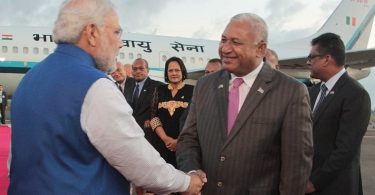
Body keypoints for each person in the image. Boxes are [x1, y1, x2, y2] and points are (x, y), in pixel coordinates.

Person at [8, 0, 204, 194]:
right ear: (92, 33)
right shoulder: (95, 86)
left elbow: (13, 163)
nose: (120, 44)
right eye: (116, 32)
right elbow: (142, 166)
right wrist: (186, 183)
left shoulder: (29, 80)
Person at [176, 13, 313, 194]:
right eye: (223, 40)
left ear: (261, 49)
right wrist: (192, 170)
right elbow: (188, 139)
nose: (225, 48)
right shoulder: (205, 85)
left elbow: (296, 166)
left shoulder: (291, 92)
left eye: (235, 42)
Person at [305, 33, 371, 195]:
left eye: (312, 57)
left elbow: (346, 149)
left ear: (326, 59)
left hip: (335, 186)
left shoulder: (355, 94)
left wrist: (315, 181)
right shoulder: (314, 92)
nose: (308, 62)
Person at [150, 57, 194, 168]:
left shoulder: (193, 90)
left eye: (177, 70)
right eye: (170, 70)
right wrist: (166, 139)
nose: (174, 73)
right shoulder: (159, 90)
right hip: (161, 145)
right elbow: (154, 117)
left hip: (185, 146)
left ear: (182, 71)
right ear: (166, 73)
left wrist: (178, 141)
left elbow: (195, 120)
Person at [130, 58, 163, 195]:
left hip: (150, 136)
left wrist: (152, 119)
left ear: (148, 70)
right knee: (136, 173)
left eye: (141, 68)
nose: (138, 71)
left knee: (150, 172)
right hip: (132, 136)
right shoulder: (129, 86)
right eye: (135, 68)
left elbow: (161, 110)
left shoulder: (158, 86)